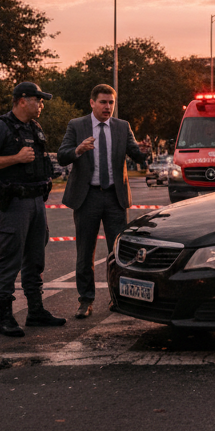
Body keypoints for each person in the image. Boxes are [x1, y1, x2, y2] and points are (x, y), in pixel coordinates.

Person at [0, 81, 66, 337]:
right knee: (11, 258)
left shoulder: (34, 127)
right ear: (22, 100)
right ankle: (5, 318)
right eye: (38, 100)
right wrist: (16, 158)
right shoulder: (1, 126)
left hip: (37, 200)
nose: (41, 105)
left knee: (35, 258)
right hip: (14, 201)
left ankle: (35, 311)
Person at [57, 84, 151, 317]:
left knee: (118, 253)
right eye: (103, 102)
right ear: (92, 103)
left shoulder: (122, 127)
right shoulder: (76, 125)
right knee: (85, 251)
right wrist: (78, 149)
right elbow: (62, 155)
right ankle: (85, 300)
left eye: (111, 102)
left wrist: (144, 151)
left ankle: (118, 299)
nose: (107, 107)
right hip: (87, 196)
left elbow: (136, 154)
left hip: (114, 197)